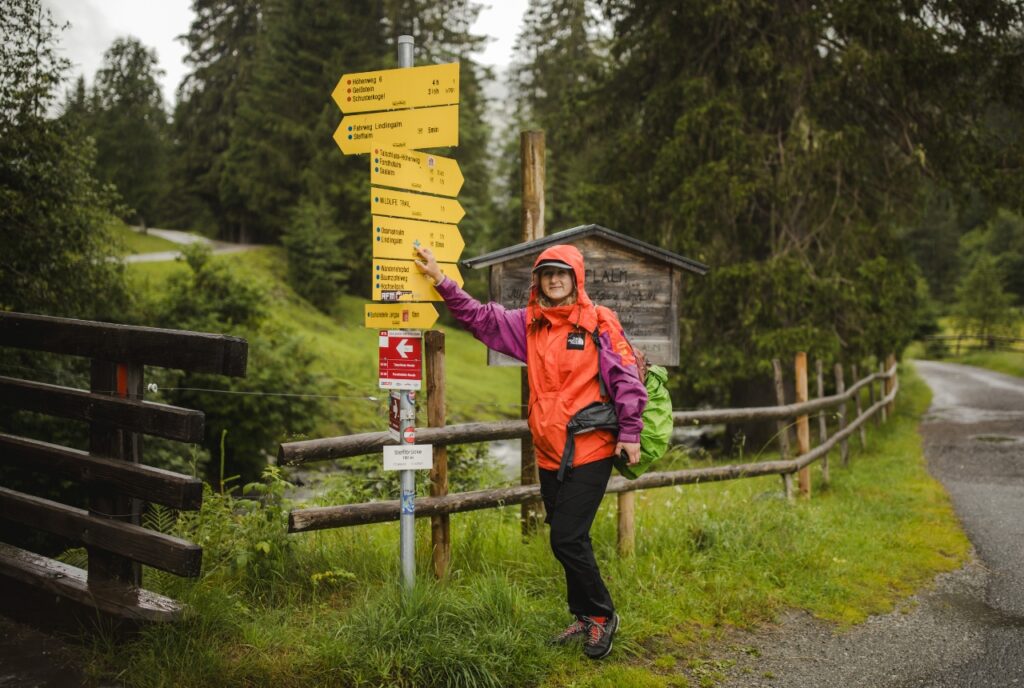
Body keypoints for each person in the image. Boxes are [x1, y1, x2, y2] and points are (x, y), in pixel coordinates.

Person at [414, 243, 648, 660]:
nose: (554, 279)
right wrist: (440, 280)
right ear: (537, 281)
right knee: (568, 537)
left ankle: (602, 614)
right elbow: (480, 318)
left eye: (562, 273)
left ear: (577, 279)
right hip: (548, 453)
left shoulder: (598, 321)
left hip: (591, 447)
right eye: (546, 273)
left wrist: (631, 431)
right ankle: (583, 615)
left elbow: (627, 377)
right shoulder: (530, 324)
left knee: (566, 538)